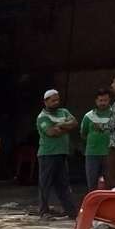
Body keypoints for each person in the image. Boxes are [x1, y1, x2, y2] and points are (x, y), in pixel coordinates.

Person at [36, 89, 77, 219]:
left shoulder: (63, 111)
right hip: (48, 154)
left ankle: (71, 212)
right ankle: (44, 211)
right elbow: (51, 132)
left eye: (57, 100)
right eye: (53, 100)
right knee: (45, 184)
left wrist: (60, 125)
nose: (56, 102)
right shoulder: (42, 116)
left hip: (62, 153)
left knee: (63, 184)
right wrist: (66, 126)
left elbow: (75, 123)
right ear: (45, 101)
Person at [80, 89, 112, 192]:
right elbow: (83, 134)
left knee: (111, 184)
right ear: (96, 101)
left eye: (105, 100)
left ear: (109, 100)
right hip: (92, 154)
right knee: (92, 184)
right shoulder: (88, 116)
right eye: (100, 100)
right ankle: (94, 206)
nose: (103, 103)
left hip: (110, 154)